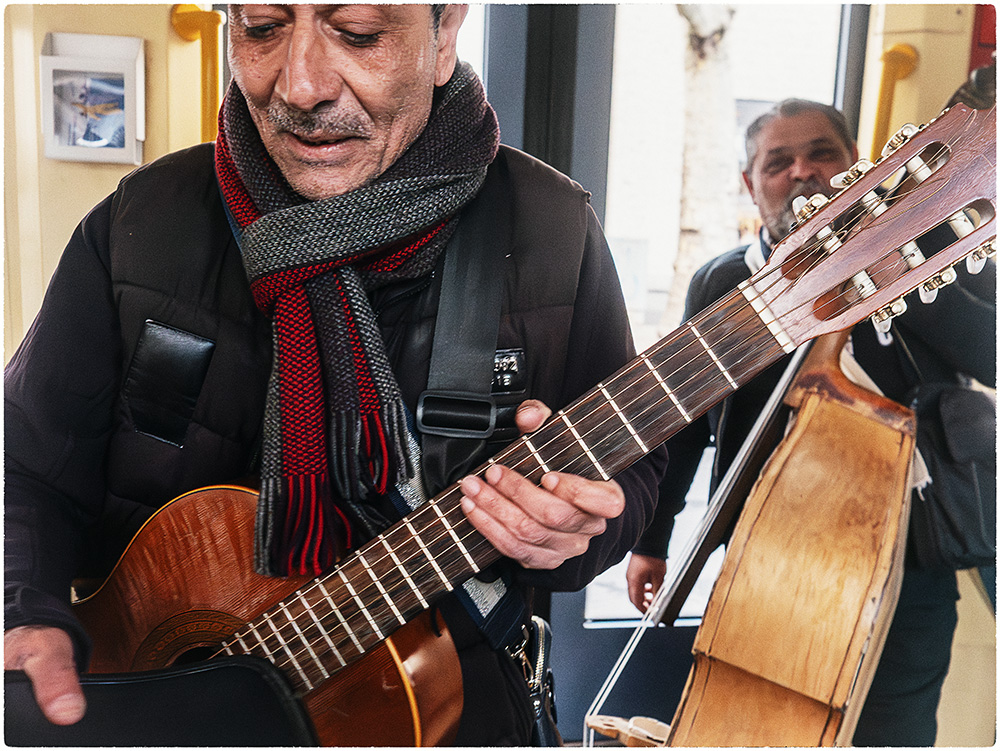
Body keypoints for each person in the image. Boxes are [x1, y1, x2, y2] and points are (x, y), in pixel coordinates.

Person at [4, 5, 666, 745]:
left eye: (357, 33)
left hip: (451, 714)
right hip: (150, 703)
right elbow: (23, 462)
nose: (303, 84)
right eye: (261, 27)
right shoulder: (140, 223)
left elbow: (634, 474)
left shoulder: (550, 231)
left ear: (444, 36)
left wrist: (580, 532)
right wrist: (23, 605)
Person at [626, 98, 996, 746]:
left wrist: (885, 270)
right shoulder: (722, 279)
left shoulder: (932, 245)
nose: (802, 171)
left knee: (896, 728)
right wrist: (650, 539)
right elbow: (685, 422)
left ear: (854, 162)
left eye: (822, 153)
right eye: (778, 162)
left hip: (908, 551)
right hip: (765, 551)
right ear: (750, 183)